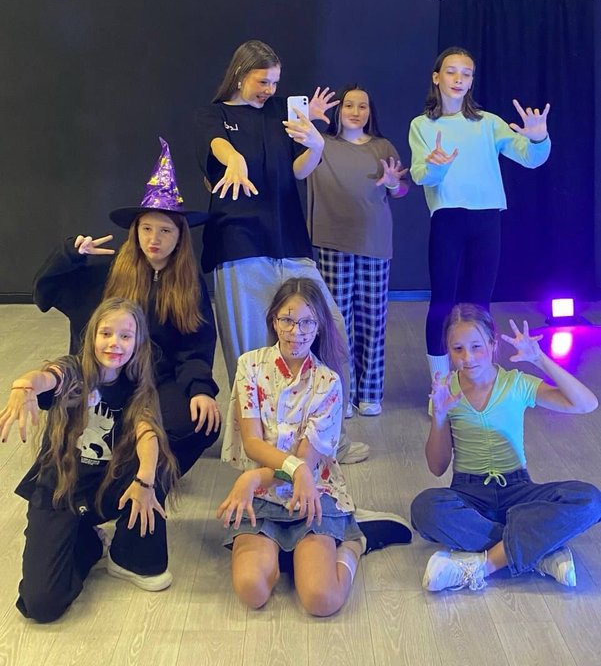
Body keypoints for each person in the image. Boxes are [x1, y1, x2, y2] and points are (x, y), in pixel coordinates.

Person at [195, 39, 367, 463]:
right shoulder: (215, 115)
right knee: (251, 353)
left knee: (331, 330)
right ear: (240, 75)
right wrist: (234, 160)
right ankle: (253, 450)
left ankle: (327, 438)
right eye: (262, 81)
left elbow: (297, 172)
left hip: (291, 243)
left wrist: (316, 146)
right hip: (238, 244)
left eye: (274, 82)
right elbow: (216, 145)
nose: (269, 90)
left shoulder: (281, 115)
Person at [217, 278, 411, 615]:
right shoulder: (250, 366)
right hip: (263, 497)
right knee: (251, 590)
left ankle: (353, 540)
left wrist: (254, 477)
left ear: (319, 326)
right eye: (287, 320)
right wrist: (267, 477)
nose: (296, 331)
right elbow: (252, 444)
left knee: (322, 600)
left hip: (311, 492)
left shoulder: (328, 382)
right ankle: (290, 555)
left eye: (307, 322)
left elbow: (306, 465)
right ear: (273, 320)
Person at [33, 138, 220, 476]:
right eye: (146, 228)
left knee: (200, 422)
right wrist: (69, 257)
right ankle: (101, 468)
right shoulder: (108, 272)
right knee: (76, 416)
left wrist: (200, 390)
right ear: (135, 231)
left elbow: (195, 347)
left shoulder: (189, 285)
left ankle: (143, 475)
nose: (154, 239)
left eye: (165, 230)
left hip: (157, 380)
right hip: (106, 376)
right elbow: (45, 293)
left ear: (180, 236)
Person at [0, 297, 179, 623]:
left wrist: (145, 482)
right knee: (41, 605)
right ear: (92, 335)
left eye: (126, 336)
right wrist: (23, 387)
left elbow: (148, 434)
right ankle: (89, 542)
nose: (115, 343)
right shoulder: (74, 369)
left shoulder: (139, 385)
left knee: (159, 462)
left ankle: (132, 555)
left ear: (138, 342)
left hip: (107, 488)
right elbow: (47, 377)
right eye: (106, 333)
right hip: (62, 488)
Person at [410, 303, 601, 592]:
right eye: (458, 349)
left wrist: (540, 359)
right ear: (448, 351)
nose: (467, 357)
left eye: (476, 347)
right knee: (424, 509)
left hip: (519, 490)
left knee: (590, 500)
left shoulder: (516, 383)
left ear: (492, 343)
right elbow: (437, 467)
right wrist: (438, 417)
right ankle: (538, 550)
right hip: (469, 494)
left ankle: (485, 563)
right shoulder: (445, 391)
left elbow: (586, 404)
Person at [408, 47, 551, 379]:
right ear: (436, 77)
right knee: (443, 302)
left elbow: (530, 158)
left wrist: (539, 138)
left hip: (487, 219)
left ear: (472, 81)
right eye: (451, 71)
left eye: (466, 73)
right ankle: (440, 383)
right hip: (447, 219)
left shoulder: (489, 123)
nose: (458, 79)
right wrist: (436, 166)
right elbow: (419, 175)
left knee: (479, 304)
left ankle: (477, 378)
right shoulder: (422, 125)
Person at [307, 83, 409, 416]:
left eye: (362, 106)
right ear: (338, 110)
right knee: (337, 322)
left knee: (373, 321)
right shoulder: (320, 143)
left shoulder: (382, 146)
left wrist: (393, 184)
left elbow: (401, 190)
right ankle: (341, 392)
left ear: (370, 112)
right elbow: (296, 149)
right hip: (332, 241)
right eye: (349, 105)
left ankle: (370, 393)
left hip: (374, 242)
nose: (355, 111)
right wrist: (310, 118)